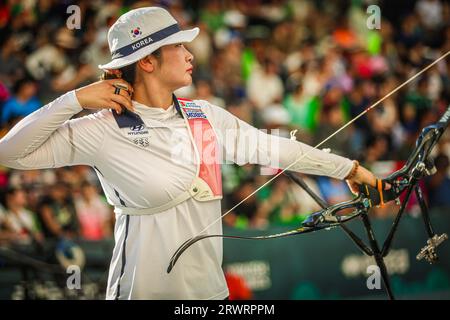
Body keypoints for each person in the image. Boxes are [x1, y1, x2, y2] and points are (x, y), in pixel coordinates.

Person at [0, 7, 389, 300]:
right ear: (148, 61)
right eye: (179, 47)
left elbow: (277, 148)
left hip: (210, 296)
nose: (190, 55)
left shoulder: (203, 115)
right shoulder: (103, 126)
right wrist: (73, 99)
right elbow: (10, 153)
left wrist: (351, 170)